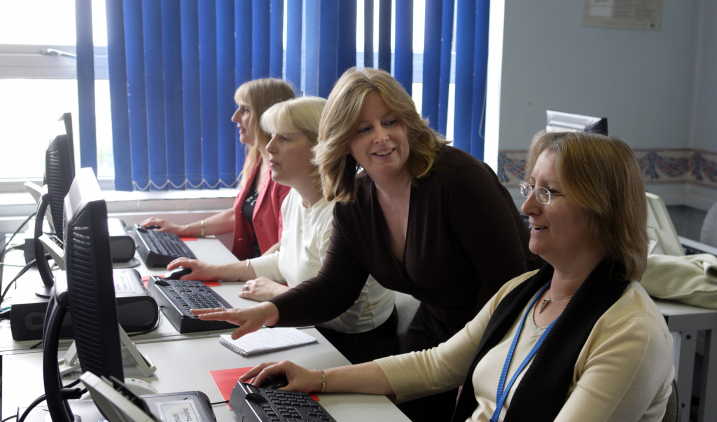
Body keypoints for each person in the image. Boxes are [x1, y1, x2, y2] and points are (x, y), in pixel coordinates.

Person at [235, 131, 675, 422]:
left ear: (603, 209)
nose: (527, 208)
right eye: (529, 188)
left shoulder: (630, 332)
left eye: (549, 192)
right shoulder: (525, 290)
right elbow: (437, 364)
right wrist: (321, 379)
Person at [193, 68, 540, 420]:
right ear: (342, 140)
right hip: (437, 328)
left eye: (391, 122)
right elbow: (334, 287)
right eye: (364, 129)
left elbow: (507, 286)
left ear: (409, 123)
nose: (382, 137)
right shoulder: (354, 199)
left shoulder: (459, 179)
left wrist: (477, 363)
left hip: (509, 329)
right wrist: (268, 312)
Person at [167, 97, 398, 364]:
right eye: (271, 136)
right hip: (312, 328)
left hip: (355, 348)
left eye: (284, 139)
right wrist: (212, 270)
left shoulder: (344, 212)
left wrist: (276, 294)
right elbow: (284, 258)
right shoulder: (293, 199)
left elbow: (343, 311)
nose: (269, 147)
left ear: (321, 148)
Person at [141, 78, 295, 260]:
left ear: (267, 116)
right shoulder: (255, 159)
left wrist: (232, 271)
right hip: (251, 269)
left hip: (271, 277)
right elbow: (240, 215)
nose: (234, 117)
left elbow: (287, 244)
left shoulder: (288, 171)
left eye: (245, 109)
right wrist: (182, 229)